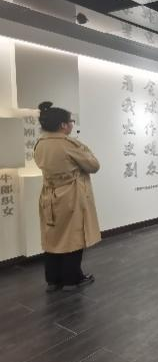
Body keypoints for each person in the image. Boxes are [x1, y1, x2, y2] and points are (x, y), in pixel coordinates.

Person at [33, 101, 100, 292]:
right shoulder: (68, 144)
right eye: (70, 121)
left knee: (52, 238)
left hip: (48, 194)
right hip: (70, 196)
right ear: (63, 125)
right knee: (73, 238)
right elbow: (94, 165)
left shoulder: (40, 143)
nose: (72, 124)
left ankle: (53, 280)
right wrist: (82, 147)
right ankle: (72, 279)